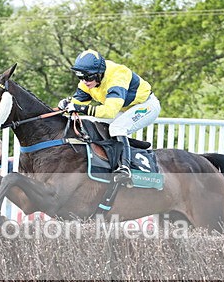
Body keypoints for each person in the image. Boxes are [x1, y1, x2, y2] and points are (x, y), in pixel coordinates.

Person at [58, 49, 161, 183]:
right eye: (81, 77)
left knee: (117, 128)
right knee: (91, 121)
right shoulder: (87, 82)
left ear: (99, 73)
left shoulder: (117, 76)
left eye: (88, 77)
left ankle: (125, 168)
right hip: (123, 108)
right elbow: (77, 104)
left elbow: (110, 111)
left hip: (146, 105)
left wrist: (80, 108)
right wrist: (66, 105)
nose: (84, 81)